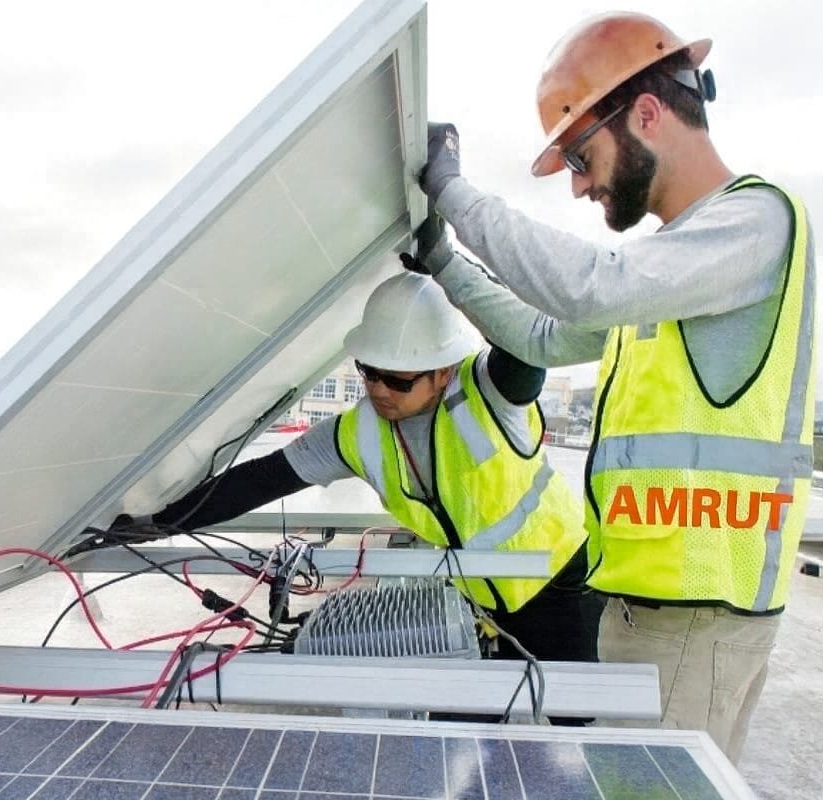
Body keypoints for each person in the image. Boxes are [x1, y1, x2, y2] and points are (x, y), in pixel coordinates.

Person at [412, 12, 816, 760]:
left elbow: (592, 290)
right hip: (646, 608)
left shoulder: (754, 223)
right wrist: (441, 260)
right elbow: (541, 334)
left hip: (697, 615)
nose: (579, 185)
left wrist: (454, 194)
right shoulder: (675, 277)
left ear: (649, 115)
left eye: (579, 154)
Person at [119, 269, 604, 683]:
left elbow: (524, 342)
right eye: (369, 372)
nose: (379, 390)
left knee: (569, 720)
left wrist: (453, 270)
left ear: (443, 370)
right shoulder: (354, 433)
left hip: (558, 582)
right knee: (467, 720)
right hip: (479, 596)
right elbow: (261, 480)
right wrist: (163, 521)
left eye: (398, 379)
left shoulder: (492, 395)